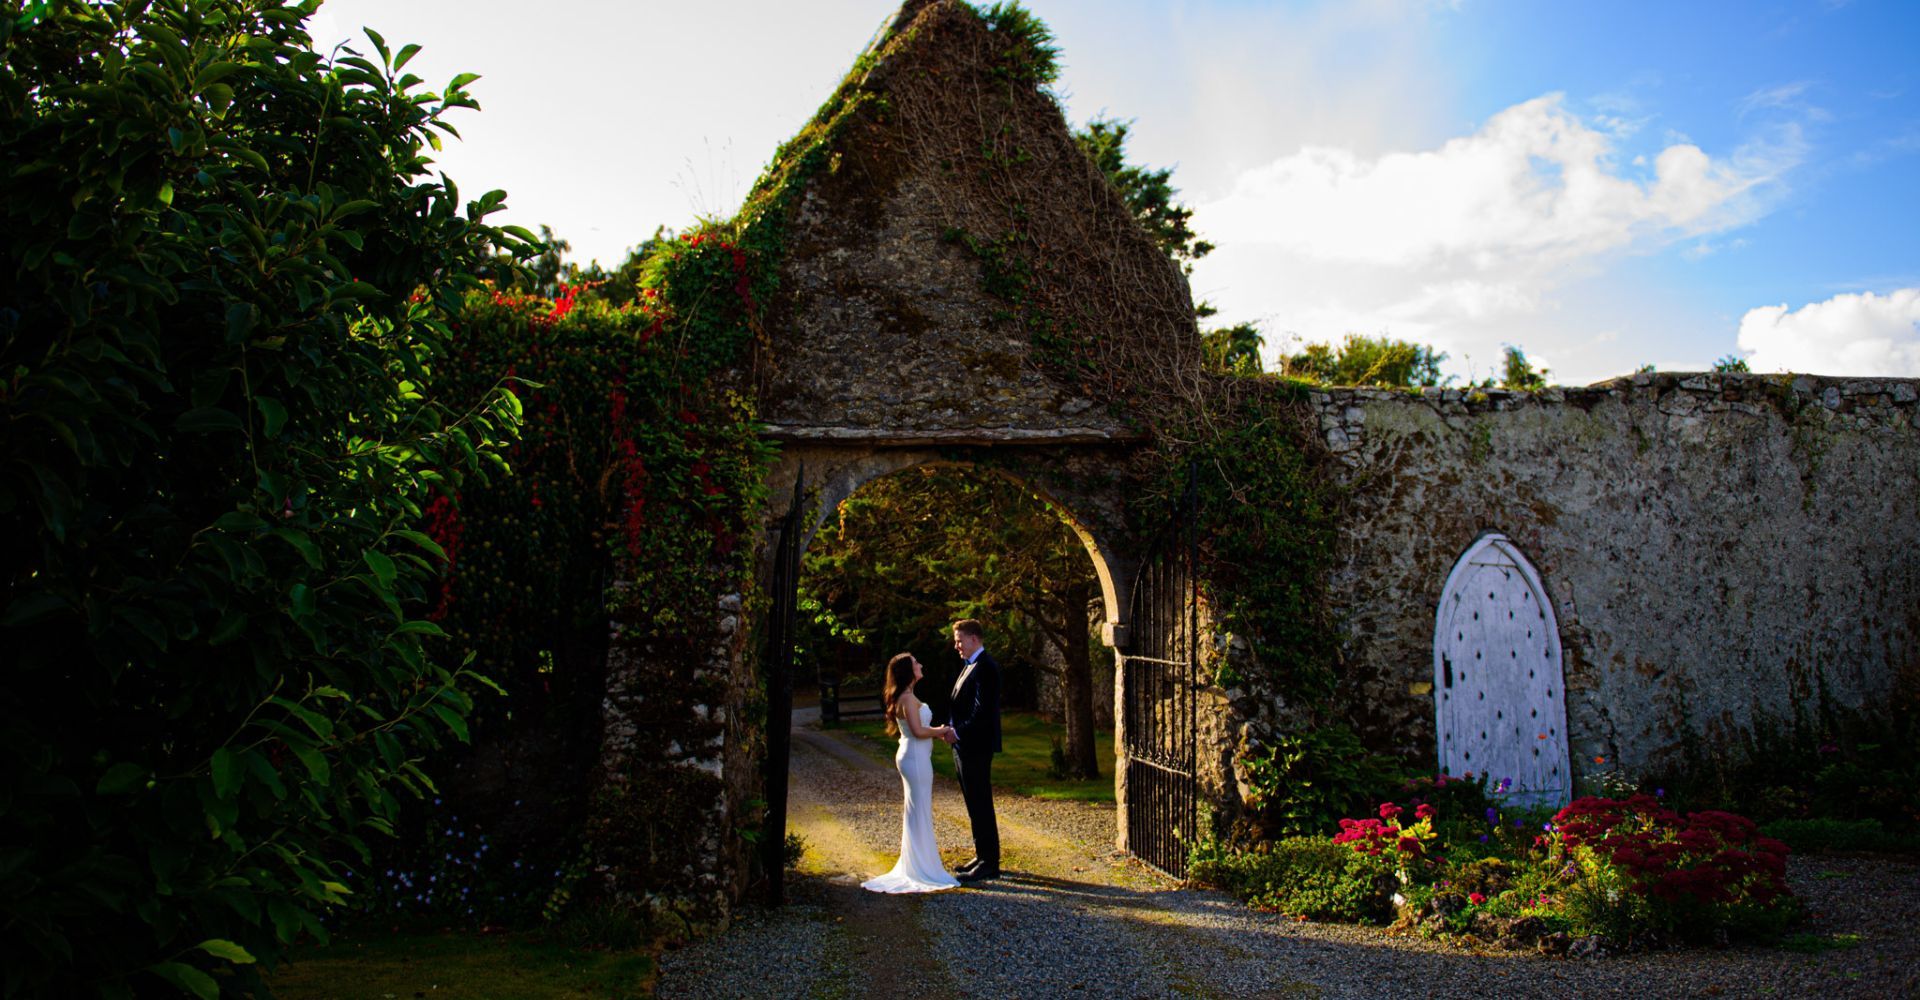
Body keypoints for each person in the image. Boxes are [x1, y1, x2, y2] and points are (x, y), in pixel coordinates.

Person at [861, 652, 960, 894]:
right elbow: (917, 731)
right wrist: (943, 730)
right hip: (914, 757)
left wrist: (937, 731)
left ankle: (920, 862)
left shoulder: (908, 697)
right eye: (917, 663)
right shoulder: (906, 699)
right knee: (918, 809)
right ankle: (921, 867)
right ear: (908, 671)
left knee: (918, 808)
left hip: (914, 756)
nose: (921, 664)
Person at [942, 618, 1002, 881]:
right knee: (973, 803)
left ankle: (990, 862)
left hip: (976, 746)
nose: (956, 646)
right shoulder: (969, 666)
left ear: (974, 639)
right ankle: (981, 855)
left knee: (981, 803)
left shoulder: (986, 667)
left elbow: (982, 712)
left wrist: (958, 731)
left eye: (959, 640)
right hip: (963, 746)